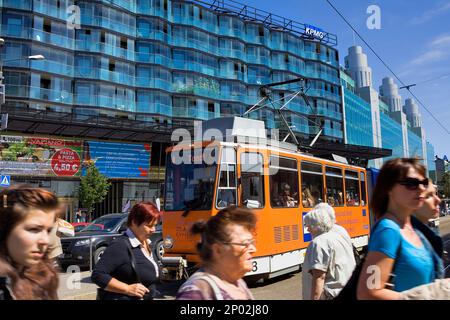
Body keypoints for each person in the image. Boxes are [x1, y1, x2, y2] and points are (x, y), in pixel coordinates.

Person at [357, 158, 438, 300]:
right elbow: (368, 293)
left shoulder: (411, 228)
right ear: (389, 189)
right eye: (411, 183)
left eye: (423, 183)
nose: (421, 188)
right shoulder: (387, 231)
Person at [176, 206, 256, 300]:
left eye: (252, 242)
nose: (254, 249)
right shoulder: (196, 292)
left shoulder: (239, 283)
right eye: (245, 244)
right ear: (218, 250)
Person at [91, 202, 161, 300]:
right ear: (134, 222)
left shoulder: (146, 243)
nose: (153, 230)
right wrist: (127, 289)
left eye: (155, 225)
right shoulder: (120, 245)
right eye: (149, 226)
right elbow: (98, 275)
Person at [0, 186, 60, 300]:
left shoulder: (45, 275)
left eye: (48, 231)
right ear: (5, 229)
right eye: (34, 229)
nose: (45, 241)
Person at [302, 206, 356, 300]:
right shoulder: (337, 238)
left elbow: (319, 277)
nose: (307, 230)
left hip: (328, 295)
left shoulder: (318, 243)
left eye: (308, 226)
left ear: (315, 226)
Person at [411, 182, 445, 279]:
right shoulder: (393, 232)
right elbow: (370, 289)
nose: (438, 200)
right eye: (429, 196)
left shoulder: (430, 233)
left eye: (435, 194)